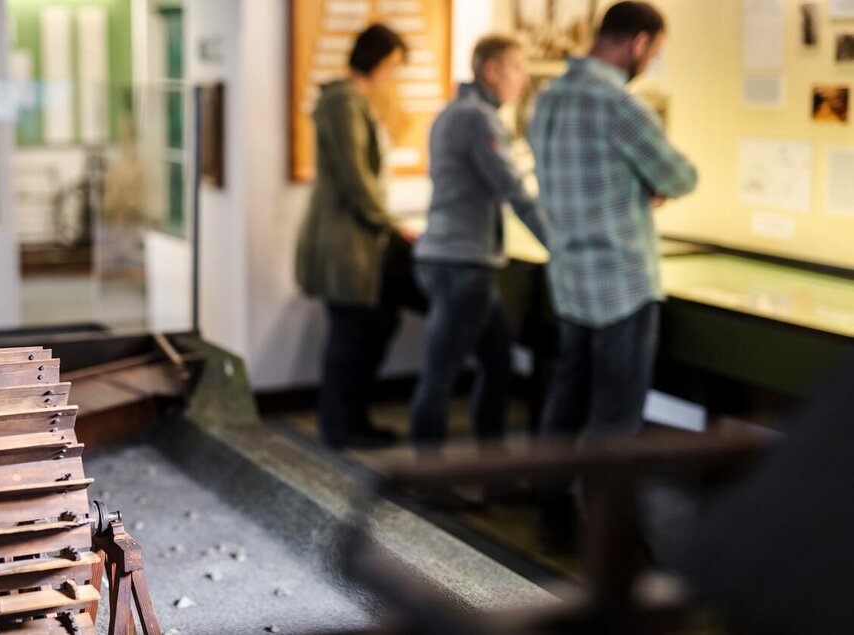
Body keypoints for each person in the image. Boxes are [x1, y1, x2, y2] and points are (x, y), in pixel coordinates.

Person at [527, 1, 698, 550]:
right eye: (655, 52)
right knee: (616, 421)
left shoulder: (548, 98)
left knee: (565, 404)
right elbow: (680, 175)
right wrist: (650, 187)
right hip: (622, 283)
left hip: (571, 280)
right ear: (639, 43)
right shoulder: (619, 105)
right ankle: (614, 542)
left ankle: (553, 518)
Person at [409, 35, 547, 449]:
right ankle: (426, 482)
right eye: (519, 69)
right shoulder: (477, 119)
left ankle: (492, 470)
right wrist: (562, 247)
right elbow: (514, 190)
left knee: (497, 363)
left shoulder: (453, 112)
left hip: (450, 258)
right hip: (461, 265)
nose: (523, 81)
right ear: (492, 71)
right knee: (442, 374)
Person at [295, 24, 422, 450]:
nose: (395, 76)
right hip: (346, 242)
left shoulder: (348, 101)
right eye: (395, 67)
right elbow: (356, 178)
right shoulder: (344, 102)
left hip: (357, 239)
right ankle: (340, 427)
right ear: (383, 61)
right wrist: (390, 223)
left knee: (371, 327)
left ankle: (352, 420)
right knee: (350, 335)